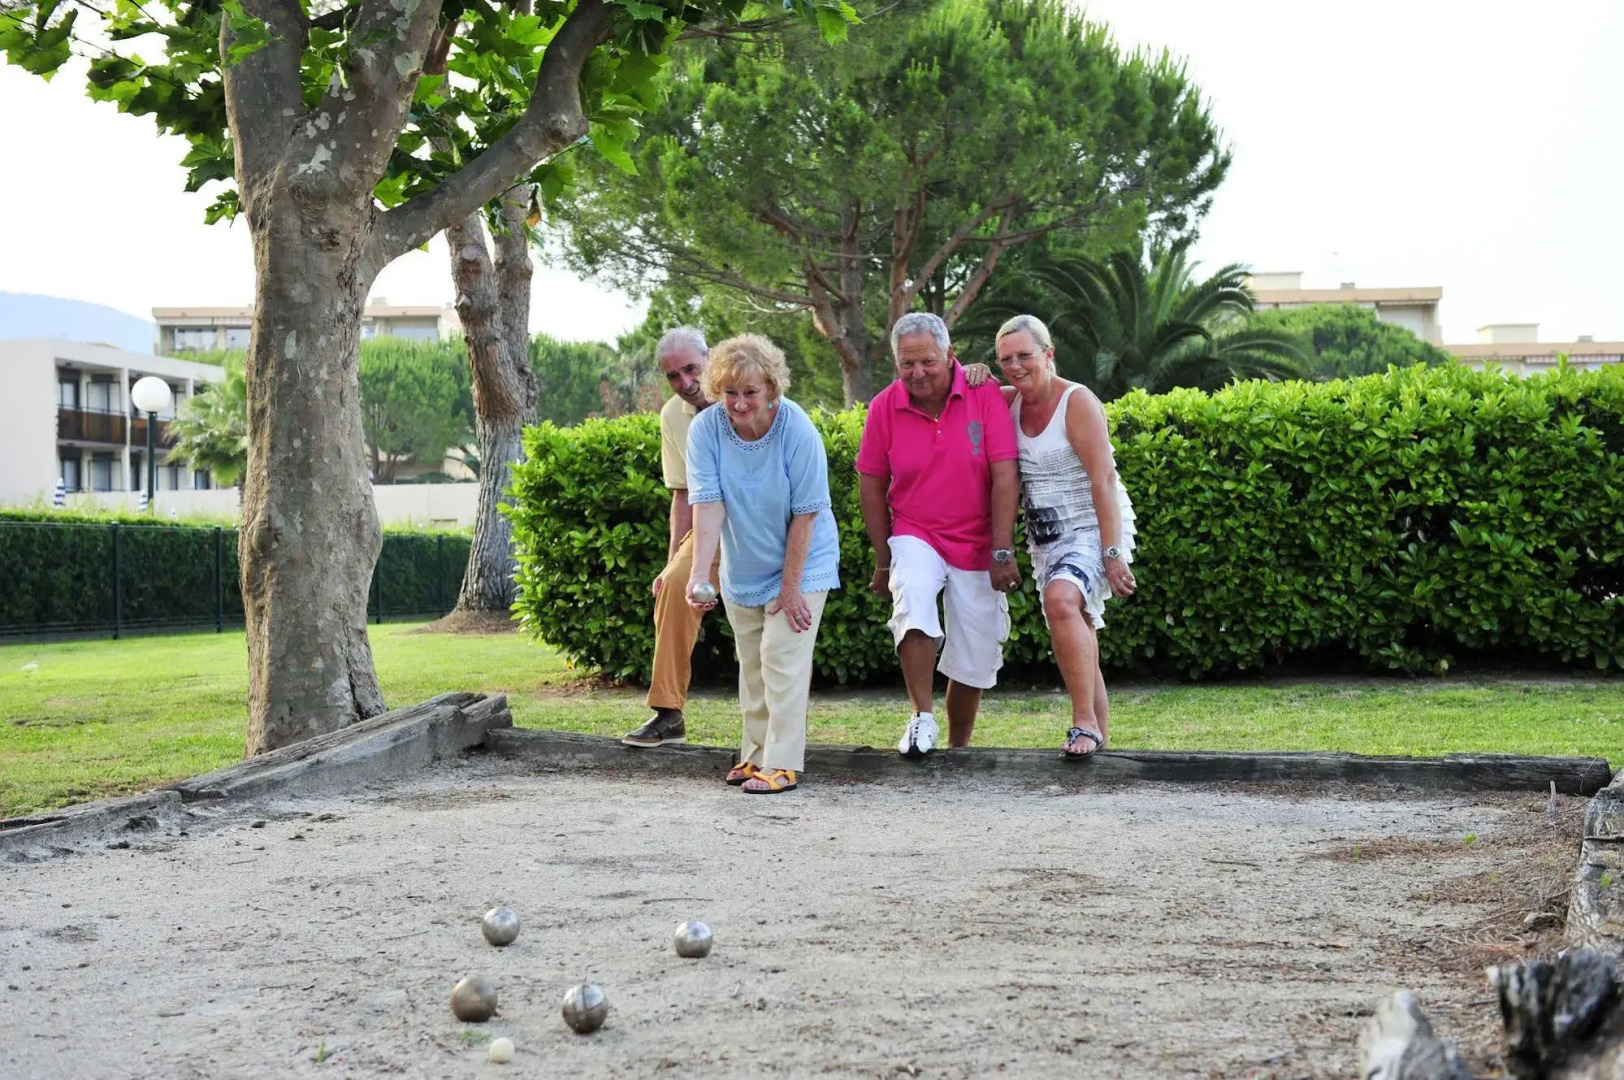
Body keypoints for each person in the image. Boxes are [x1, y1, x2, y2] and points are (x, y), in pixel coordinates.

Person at [856, 312, 1021, 758]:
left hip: (977, 538)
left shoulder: (981, 391)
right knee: (912, 596)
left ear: (949, 355)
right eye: (907, 364)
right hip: (916, 529)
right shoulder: (885, 407)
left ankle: (958, 748)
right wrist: (883, 561)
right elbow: (871, 485)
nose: (918, 373)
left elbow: (1005, 474)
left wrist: (1002, 549)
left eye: (928, 361)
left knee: (976, 651)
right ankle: (921, 717)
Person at [683, 334, 841, 794]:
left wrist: (791, 589)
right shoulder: (706, 430)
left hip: (803, 560)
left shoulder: (798, 430)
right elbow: (707, 505)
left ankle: (783, 762)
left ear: (771, 388)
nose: (739, 403)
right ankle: (754, 756)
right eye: (730, 392)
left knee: (781, 657)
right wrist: (699, 575)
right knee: (751, 664)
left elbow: (807, 514)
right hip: (744, 564)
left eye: (750, 392)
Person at [993, 314, 1137, 757]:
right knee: (1079, 622)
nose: (1015, 366)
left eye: (1025, 355)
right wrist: (974, 374)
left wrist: (1112, 553)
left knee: (1061, 600)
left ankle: (1082, 722)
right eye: (1004, 360)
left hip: (1093, 528)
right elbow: (954, 386)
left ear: (1048, 354)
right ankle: (1100, 741)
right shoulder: (1006, 401)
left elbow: (1104, 480)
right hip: (1047, 540)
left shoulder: (1077, 402)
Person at [622, 327, 722, 748]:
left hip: (761, 527)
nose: (685, 383)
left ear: (710, 358)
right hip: (705, 530)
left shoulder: (747, 394)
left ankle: (780, 724)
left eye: (691, 369)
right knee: (674, 589)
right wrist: (670, 563)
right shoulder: (670, 415)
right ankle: (668, 713)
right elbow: (681, 494)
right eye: (673, 376)